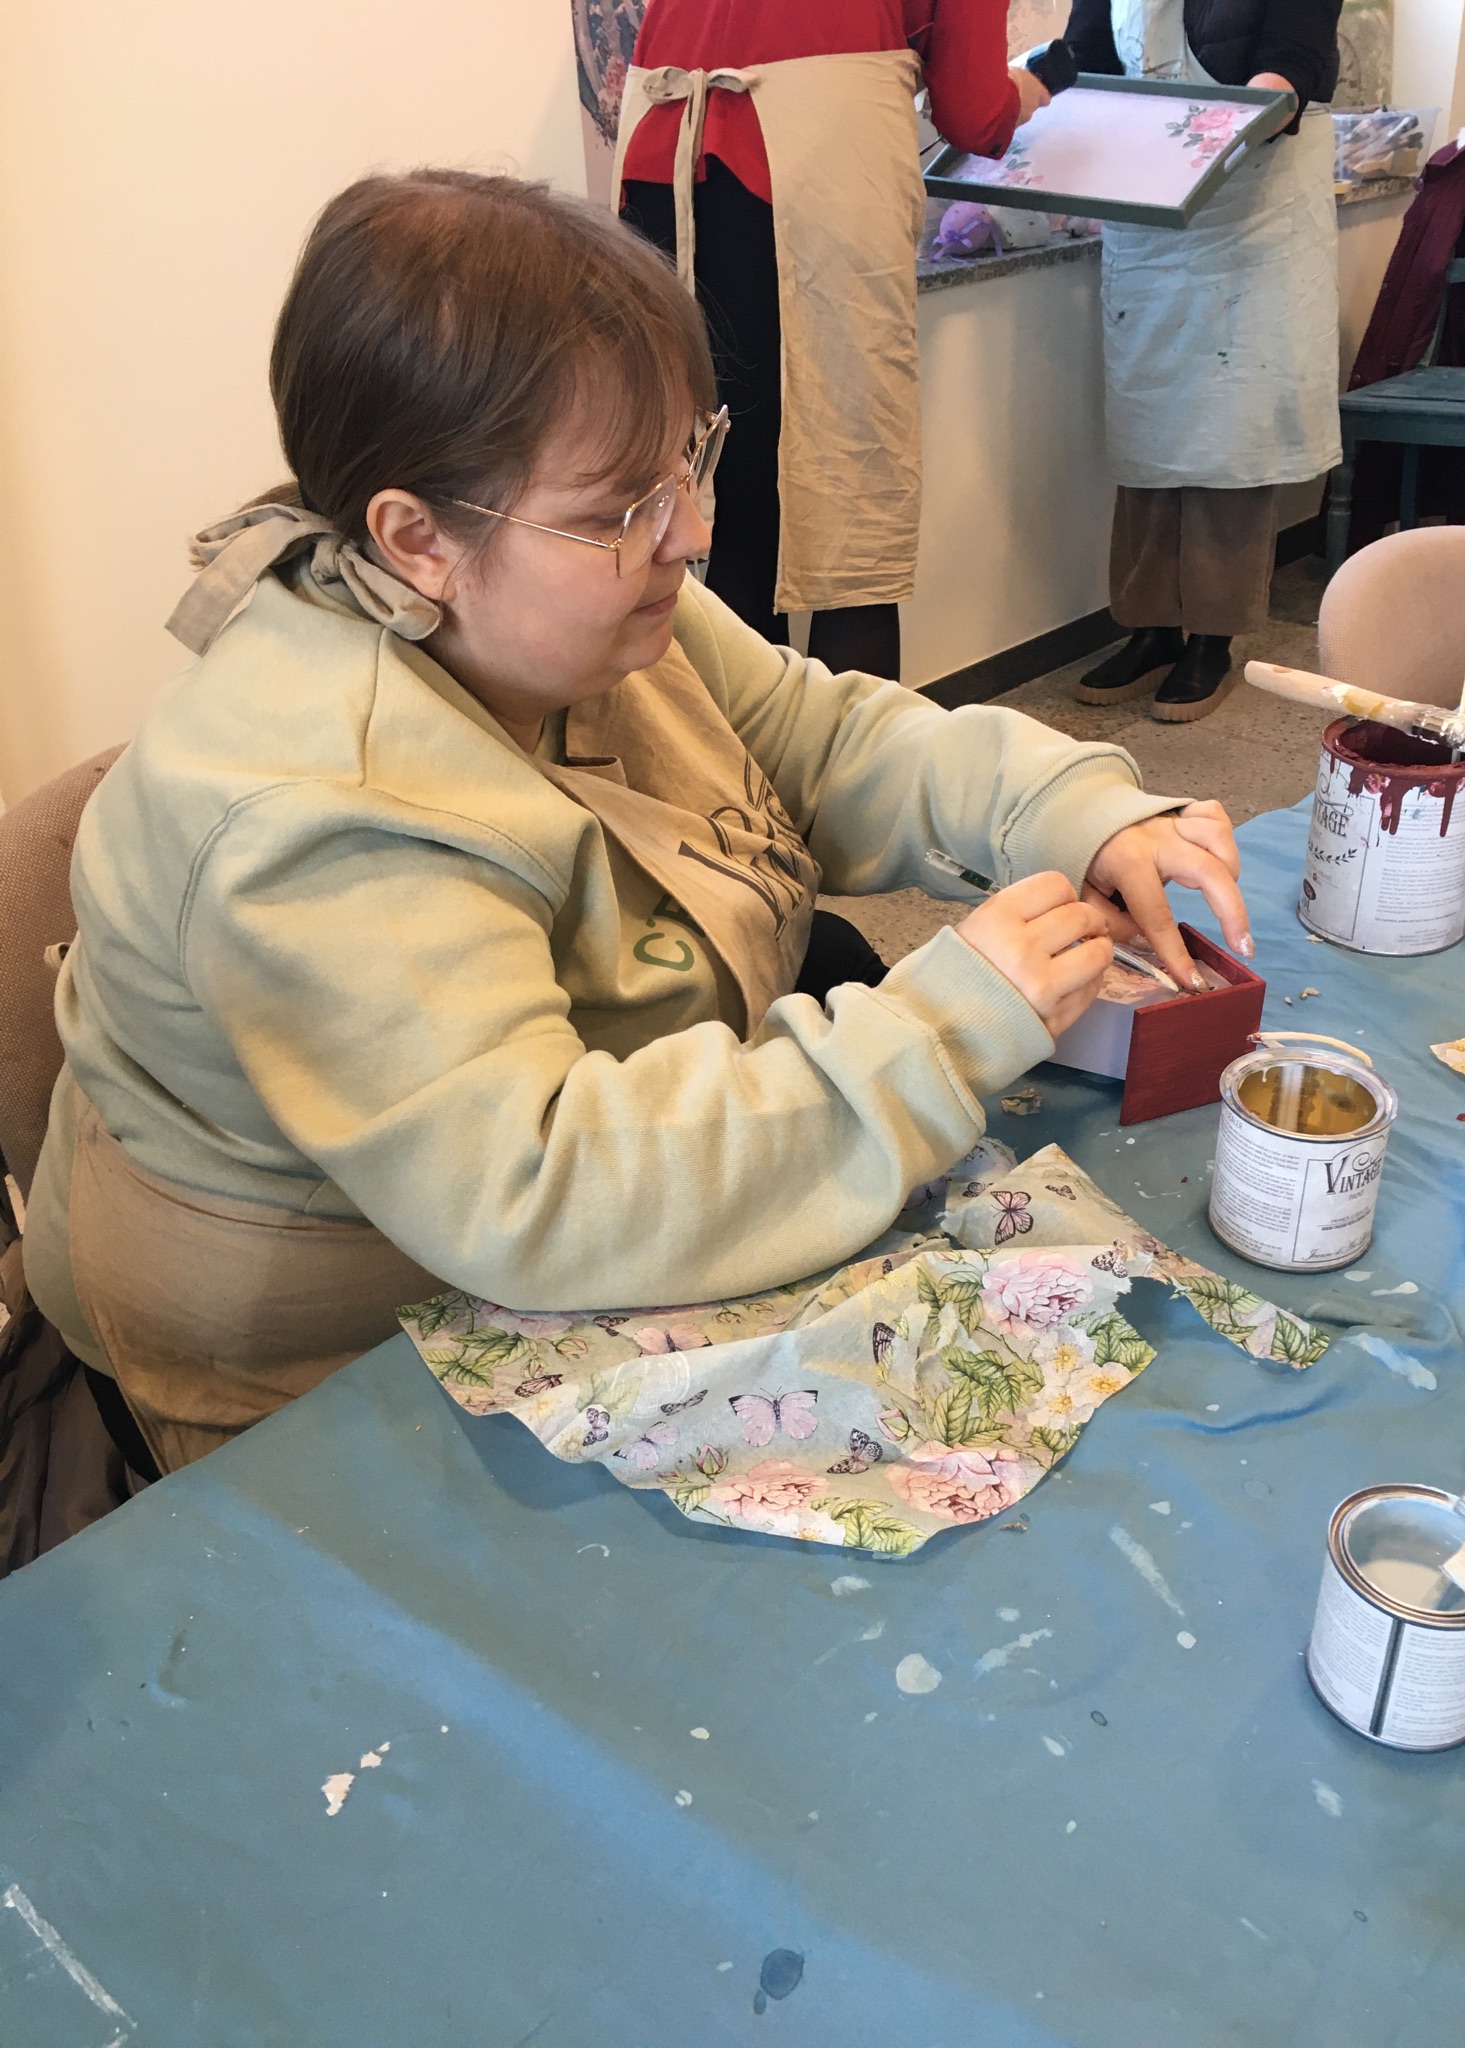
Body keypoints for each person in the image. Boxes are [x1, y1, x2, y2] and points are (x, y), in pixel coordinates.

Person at [23, 171, 1251, 1477]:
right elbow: (540, 1189)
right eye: (620, 506)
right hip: (321, 1357)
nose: (691, 531)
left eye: (687, 458)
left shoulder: (556, 600)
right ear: (415, 538)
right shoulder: (309, 819)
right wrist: (939, 1034)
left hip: (529, 1221)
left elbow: (819, 739)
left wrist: (1074, 808)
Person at [617, 0, 1045, 681]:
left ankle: (725, 743)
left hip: (662, 162)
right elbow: (973, 111)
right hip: (805, 168)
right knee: (853, 503)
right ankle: (848, 749)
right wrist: (1030, 89)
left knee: (726, 503)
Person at [1066, 0, 1343, 720]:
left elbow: (1294, 60)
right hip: (1148, 212)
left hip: (1253, 208)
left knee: (1230, 434)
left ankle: (1212, 639)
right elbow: (1085, 58)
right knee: (1148, 425)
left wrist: (1244, 114)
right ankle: (1151, 628)